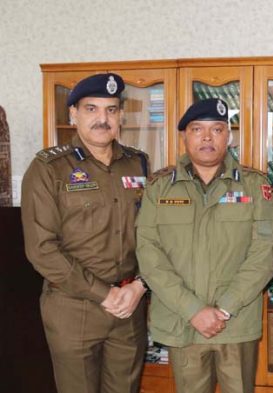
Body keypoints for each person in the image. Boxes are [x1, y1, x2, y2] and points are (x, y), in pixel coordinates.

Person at [136, 98, 273, 393]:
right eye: (197, 129)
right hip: (183, 321)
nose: (207, 138)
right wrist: (193, 309)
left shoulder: (253, 185)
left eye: (217, 129)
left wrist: (224, 309)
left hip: (235, 324)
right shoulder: (159, 187)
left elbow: (264, 253)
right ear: (184, 136)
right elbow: (148, 254)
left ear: (229, 136)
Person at [21, 73, 149, 393]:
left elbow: (154, 235)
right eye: (91, 109)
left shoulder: (138, 164)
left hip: (129, 307)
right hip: (73, 307)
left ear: (121, 115)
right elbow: (42, 249)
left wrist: (140, 286)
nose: (102, 119)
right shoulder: (49, 169)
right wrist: (104, 294)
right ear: (74, 114)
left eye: (111, 110)